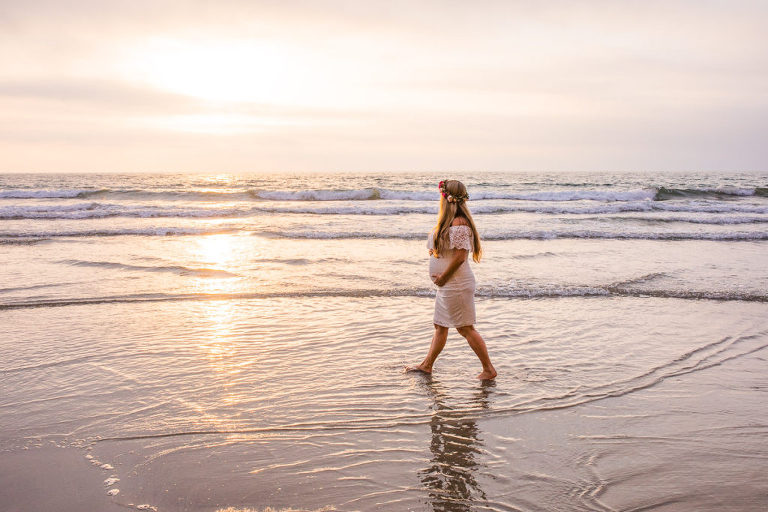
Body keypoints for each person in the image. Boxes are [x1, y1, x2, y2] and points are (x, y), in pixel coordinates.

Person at [407, 180, 497, 380]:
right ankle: (427, 365)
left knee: (465, 328)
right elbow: (450, 251)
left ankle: (489, 370)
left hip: (456, 284)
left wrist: (443, 278)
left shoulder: (459, 224)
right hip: (448, 285)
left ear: (446, 198)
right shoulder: (450, 222)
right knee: (440, 325)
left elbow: (460, 258)